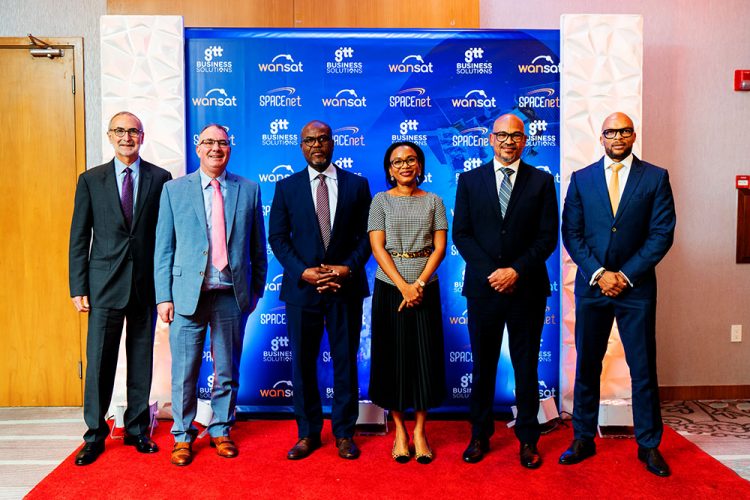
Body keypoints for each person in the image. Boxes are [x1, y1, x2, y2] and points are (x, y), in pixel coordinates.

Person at [560, 112, 676, 477]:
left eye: (624, 131)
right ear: (601, 137)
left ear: (633, 134)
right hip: (593, 288)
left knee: (642, 368)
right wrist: (598, 273)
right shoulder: (581, 180)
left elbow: (662, 233)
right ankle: (582, 438)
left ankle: (649, 445)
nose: (618, 137)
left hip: (636, 288)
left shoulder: (655, 177)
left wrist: (624, 275)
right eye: (611, 131)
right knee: (587, 366)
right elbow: (571, 233)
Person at [154, 124, 267, 466]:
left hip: (231, 295)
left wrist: (256, 289)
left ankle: (220, 429)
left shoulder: (248, 189)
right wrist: (164, 296)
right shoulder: (174, 190)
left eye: (222, 142)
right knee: (185, 371)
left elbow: (257, 247)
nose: (216, 148)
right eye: (209, 143)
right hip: (187, 295)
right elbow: (164, 249)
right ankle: (184, 435)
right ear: (198, 147)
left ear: (229, 148)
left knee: (227, 369)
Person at [453, 113, 558, 468]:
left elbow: (547, 237)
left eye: (516, 135)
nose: (508, 141)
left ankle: (528, 438)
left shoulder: (542, 182)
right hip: (483, 290)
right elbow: (462, 234)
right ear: (490, 139)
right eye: (502, 135)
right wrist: (492, 273)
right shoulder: (469, 181)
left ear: (525, 140)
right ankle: (479, 435)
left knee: (526, 367)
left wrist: (515, 270)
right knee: (482, 366)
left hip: (527, 288)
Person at [69, 111, 172, 465]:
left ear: (142, 136)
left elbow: (165, 237)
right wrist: (78, 286)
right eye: (120, 131)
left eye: (133, 131)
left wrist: (166, 288)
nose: (127, 137)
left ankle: (138, 430)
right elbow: (79, 237)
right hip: (103, 285)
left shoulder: (162, 178)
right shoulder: (90, 180)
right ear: (110, 136)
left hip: (145, 285)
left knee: (141, 360)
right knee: (99, 362)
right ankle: (94, 435)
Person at [269, 120, 372, 460]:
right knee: (302, 364)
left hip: (345, 288)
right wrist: (304, 272)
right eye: (309, 140)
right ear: (301, 146)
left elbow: (368, 237)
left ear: (332, 143)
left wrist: (348, 268)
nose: (316, 145)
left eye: (322, 139)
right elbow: (278, 239)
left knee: (345, 362)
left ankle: (344, 433)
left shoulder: (358, 186)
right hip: (303, 291)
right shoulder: (286, 188)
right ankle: (308, 433)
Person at [367, 141, 447, 464]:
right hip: (390, 288)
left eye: (410, 160)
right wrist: (403, 286)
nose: (404, 165)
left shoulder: (435, 201)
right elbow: (377, 248)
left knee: (423, 360)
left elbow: (439, 248)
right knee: (393, 359)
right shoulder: (380, 201)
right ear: (389, 169)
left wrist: (419, 284)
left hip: (425, 287)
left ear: (419, 165)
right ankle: (400, 429)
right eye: (397, 161)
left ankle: (420, 431)